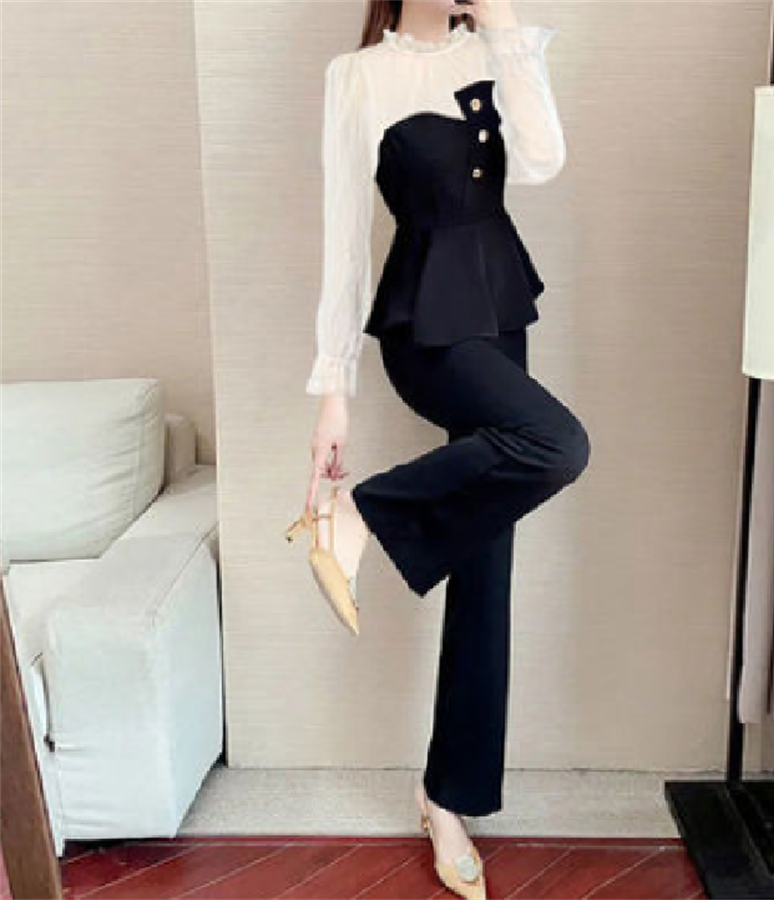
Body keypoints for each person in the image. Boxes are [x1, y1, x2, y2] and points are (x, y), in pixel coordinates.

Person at [289, 1, 590, 896]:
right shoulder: (358, 77)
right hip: (423, 325)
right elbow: (344, 234)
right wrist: (333, 392)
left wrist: (505, 31)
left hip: (498, 311)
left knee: (487, 567)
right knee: (556, 443)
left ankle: (446, 797)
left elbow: (544, 158)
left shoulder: (494, 52)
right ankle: (357, 513)